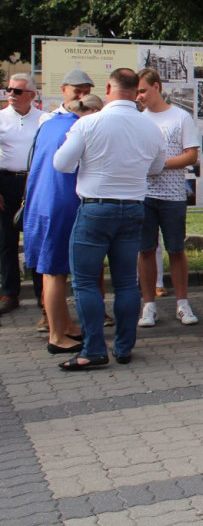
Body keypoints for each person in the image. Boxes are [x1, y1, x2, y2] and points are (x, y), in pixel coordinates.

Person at [52, 68, 165, 370]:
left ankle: (93, 349)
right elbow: (156, 166)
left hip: (96, 207)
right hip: (132, 207)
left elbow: (61, 164)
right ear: (135, 90)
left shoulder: (89, 122)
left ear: (109, 88)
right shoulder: (150, 127)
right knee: (127, 282)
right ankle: (124, 348)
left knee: (86, 282)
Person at [23, 94, 103, 353]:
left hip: (40, 203)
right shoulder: (76, 127)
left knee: (51, 270)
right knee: (55, 271)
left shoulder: (50, 123)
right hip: (60, 203)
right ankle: (57, 336)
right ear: (90, 113)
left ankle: (65, 324)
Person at [136, 68, 201, 328]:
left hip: (173, 196)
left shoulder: (181, 117)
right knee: (146, 250)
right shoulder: (137, 119)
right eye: (136, 92)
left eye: (143, 90)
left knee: (176, 249)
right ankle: (148, 305)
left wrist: (159, 164)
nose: (139, 96)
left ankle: (183, 303)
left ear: (157, 86)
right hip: (143, 195)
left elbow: (191, 155)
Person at [0, 73, 44, 315]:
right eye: (9, 90)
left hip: (34, 182)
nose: (11, 95)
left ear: (31, 94)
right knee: (6, 240)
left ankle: (42, 293)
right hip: (6, 180)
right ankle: (10, 292)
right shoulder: (1, 118)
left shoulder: (43, 119)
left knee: (35, 239)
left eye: (17, 91)